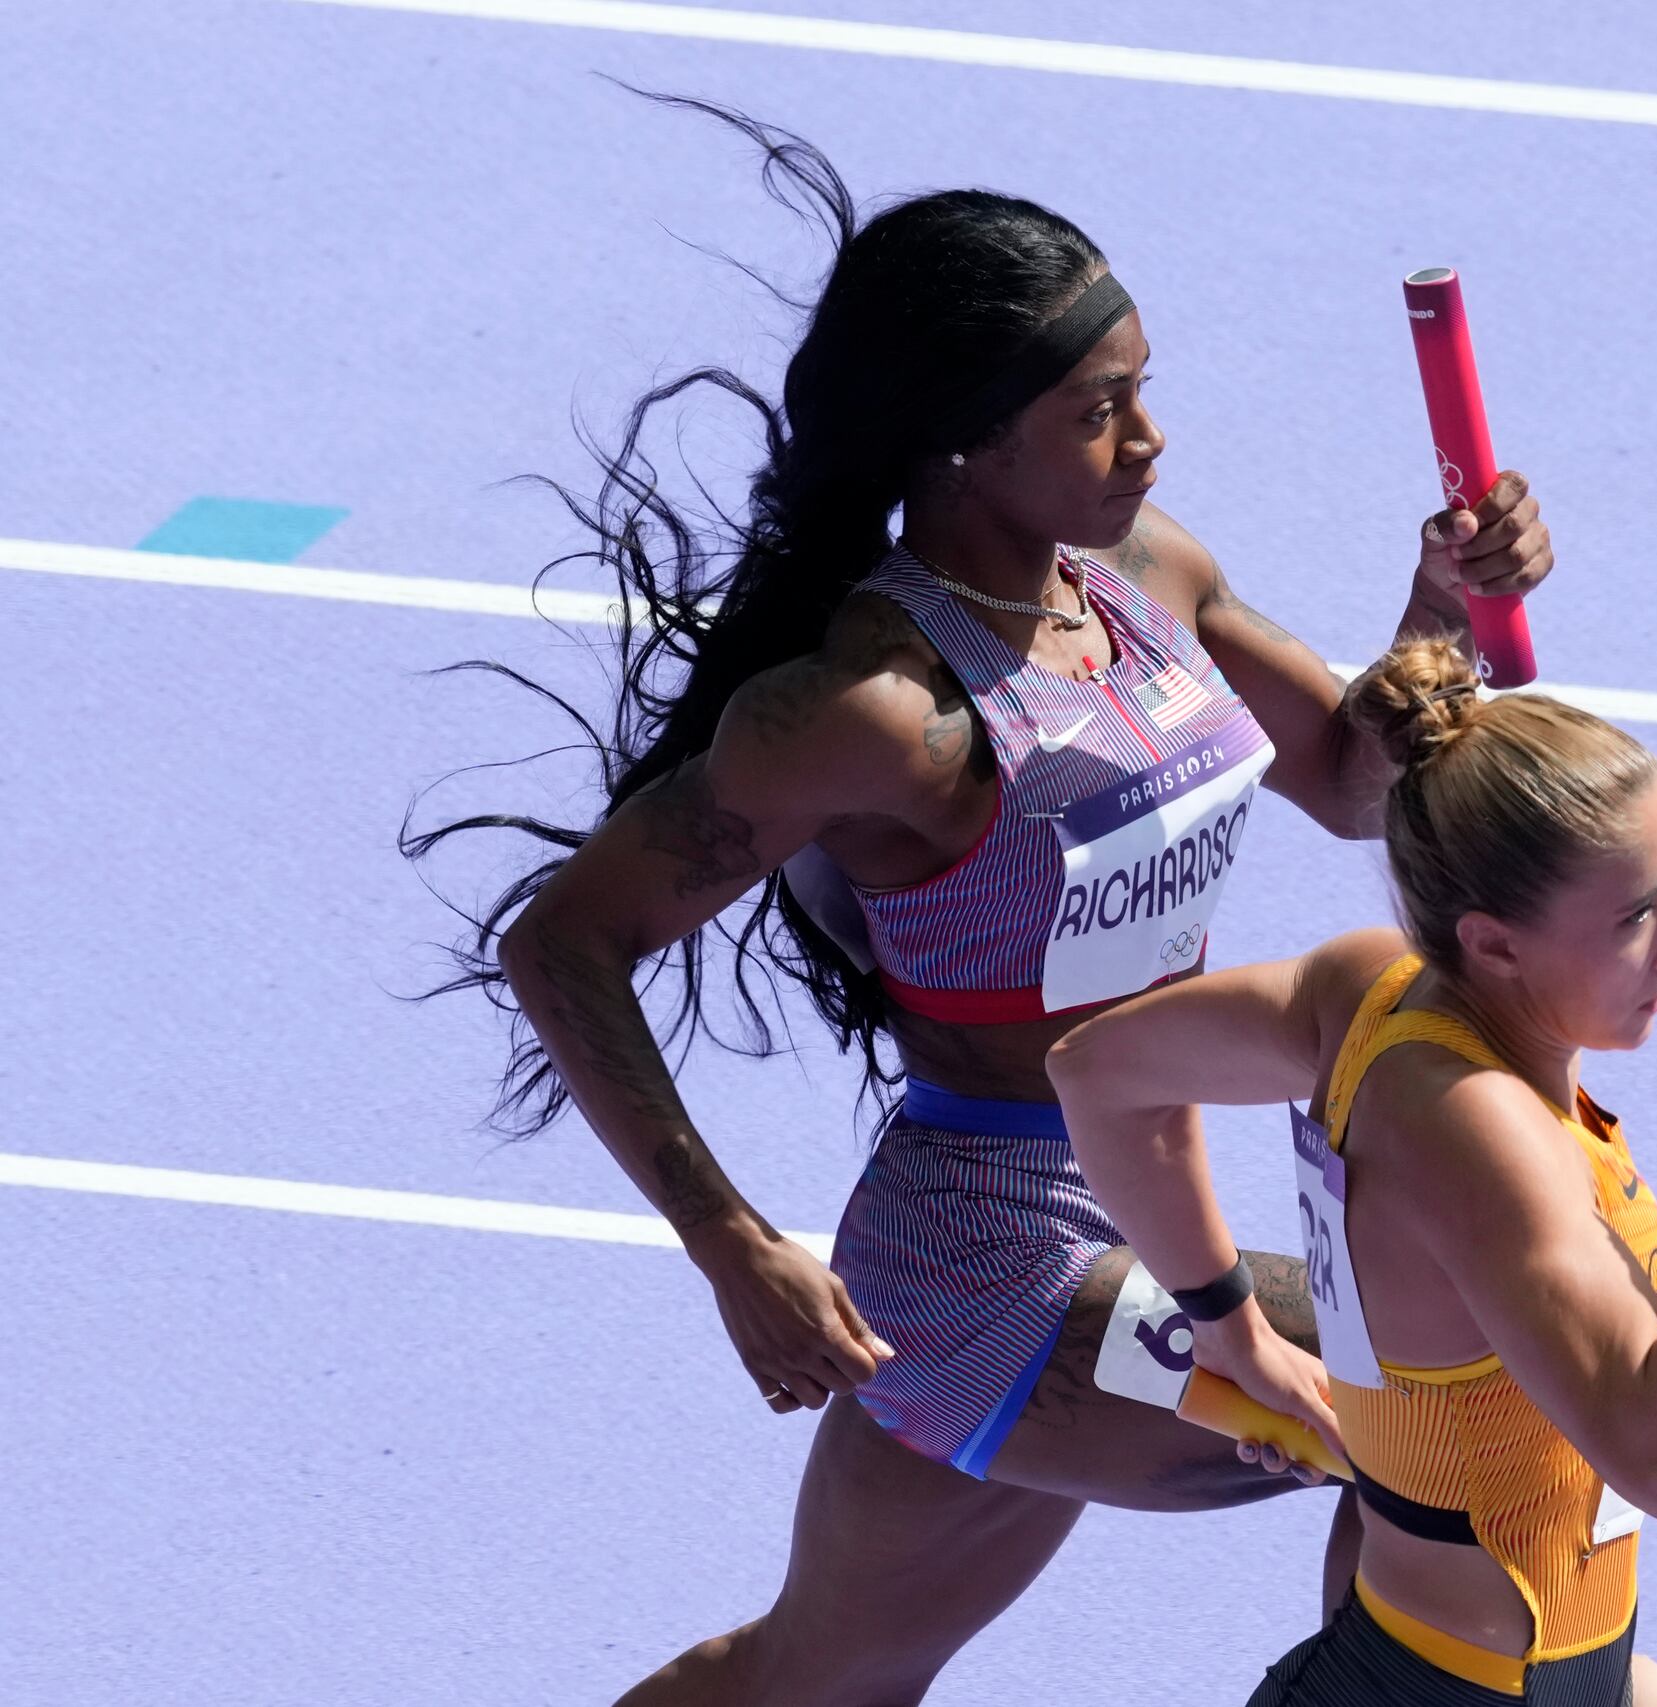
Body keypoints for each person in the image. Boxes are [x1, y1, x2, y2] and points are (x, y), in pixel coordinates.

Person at [399, 95, 1561, 1704]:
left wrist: (1441, 603)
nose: (1148, 439)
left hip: (1153, 1212)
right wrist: (733, 1244)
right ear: (959, 438)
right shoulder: (876, 709)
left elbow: (1355, 779)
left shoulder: (1147, 575)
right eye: (1099, 411)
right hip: (984, 1265)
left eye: (1144, 392)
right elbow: (563, 939)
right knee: (1456, 1417)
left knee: (804, 1679)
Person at [1048, 637, 1657, 1705]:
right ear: (1496, 945)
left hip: (1525, 1663)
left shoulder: (1367, 993)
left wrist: (1228, 1322)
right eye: (1635, 917)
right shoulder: (1482, 1134)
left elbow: (1100, 1071)